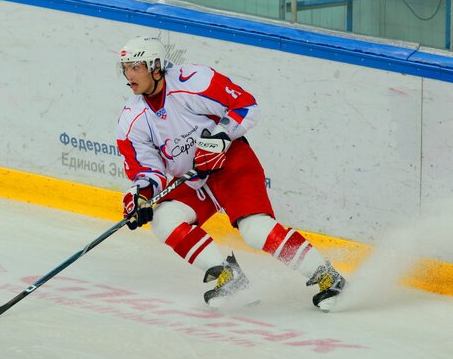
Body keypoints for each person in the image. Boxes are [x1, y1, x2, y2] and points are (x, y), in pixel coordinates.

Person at [116, 36, 346, 311]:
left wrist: (221, 136)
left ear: (155, 67)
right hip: (193, 178)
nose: (129, 75)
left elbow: (246, 105)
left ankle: (328, 277)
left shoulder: (194, 81)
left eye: (136, 67)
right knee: (164, 218)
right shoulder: (132, 118)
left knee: (255, 230)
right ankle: (231, 278)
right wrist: (141, 195)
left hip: (230, 162)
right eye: (125, 68)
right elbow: (148, 170)